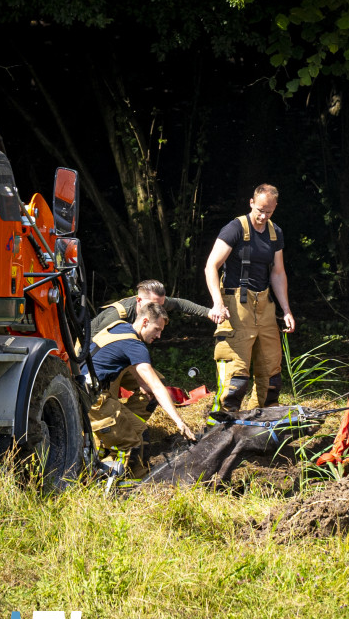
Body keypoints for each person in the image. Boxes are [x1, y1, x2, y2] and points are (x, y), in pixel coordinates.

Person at [204, 184, 296, 416]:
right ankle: (224, 421)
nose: (263, 216)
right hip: (236, 305)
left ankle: (263, 418)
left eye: (269, 212)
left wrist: (286, 310)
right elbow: (211, 266)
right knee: (236, 372)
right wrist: (218, 302)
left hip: (264, 305)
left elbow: (277, 273)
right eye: (260, 210)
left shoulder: (275, 232)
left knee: (271, 368)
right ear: (251, 203)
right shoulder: (235, 228)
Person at [88, 301, 196, 476]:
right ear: (145, 322)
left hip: (93, 393)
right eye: (157, 329)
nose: (159, 335)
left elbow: (131, 367)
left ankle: (141, 481)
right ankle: (108, 483)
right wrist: (179, 422)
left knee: (141, 431)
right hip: (94, 401)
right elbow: (157, 387)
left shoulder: (120, 327)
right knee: (130, 444)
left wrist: (142, 384)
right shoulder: (134, 345)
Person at [90, 279, 214, 336]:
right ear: (139, 300)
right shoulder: (119, 314)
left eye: (161, 305)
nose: (159, 310)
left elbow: (179, 303)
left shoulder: (157, 304)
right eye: (154, 305)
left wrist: (208, 312)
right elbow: (93, 342)